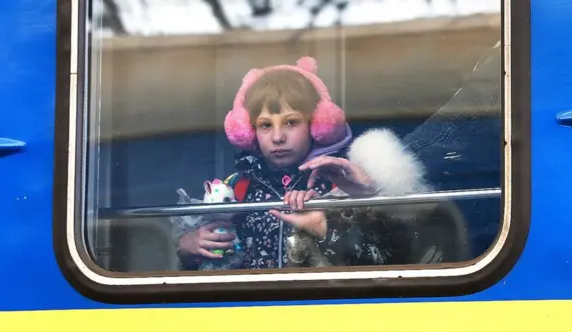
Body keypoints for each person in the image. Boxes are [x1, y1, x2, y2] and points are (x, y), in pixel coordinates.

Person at [174, 56, 469, 270]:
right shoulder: (236, 188)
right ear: (248, 131)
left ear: (319, 126)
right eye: (265, 125)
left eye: (291, 122)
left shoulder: (339, 183)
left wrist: (325, 228)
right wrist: (187, 247)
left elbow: (382, 259)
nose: (277, 137)